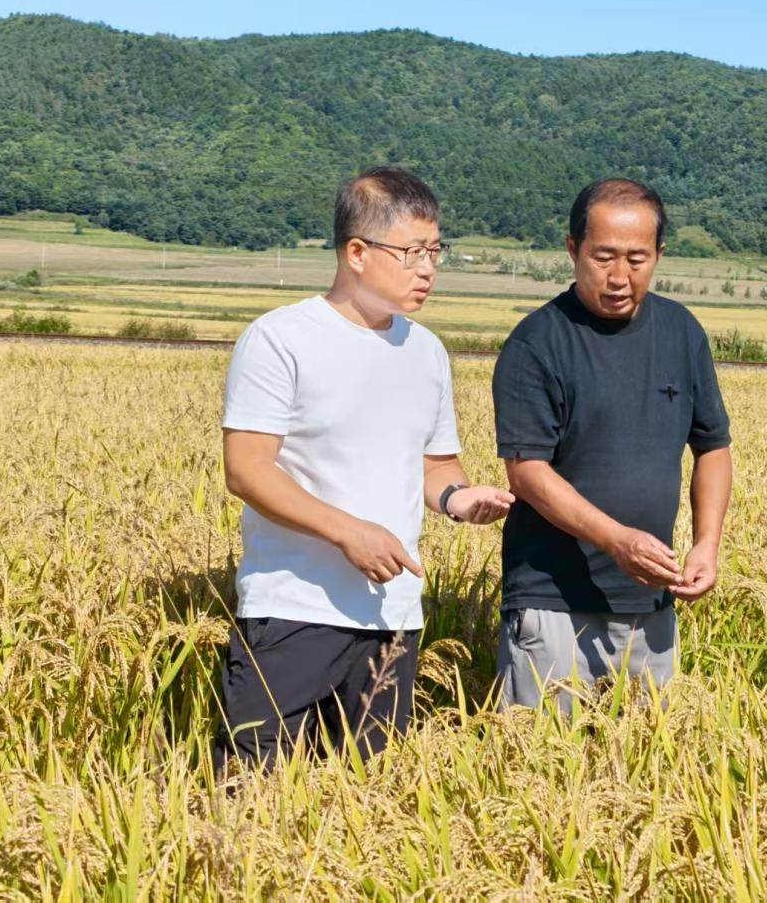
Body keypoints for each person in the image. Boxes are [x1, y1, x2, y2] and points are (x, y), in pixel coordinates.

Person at [216, 165, 513, 769]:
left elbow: (435, 465)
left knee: (369, 790)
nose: (427, 269)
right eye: (411, 253)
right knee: (253, 785)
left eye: (434, 251)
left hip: (391, 614)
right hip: (293, 609)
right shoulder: (280, 338)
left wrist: (458, 499)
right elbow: (246, 470)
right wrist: (348, 532)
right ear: (357, 252)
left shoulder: (426, 352)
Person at [492, 177, 733, 710]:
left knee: (649, 757)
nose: (620, 276)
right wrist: (616, 541)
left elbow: (712, 447)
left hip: (651, 602)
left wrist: (706, 544)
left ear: (659, 254)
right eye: (603, 257)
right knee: (541, 755)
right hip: (553, 605)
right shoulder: (536, 343)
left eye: (637, 259)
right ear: (572, 248)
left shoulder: (682, 332)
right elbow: (527, 472)